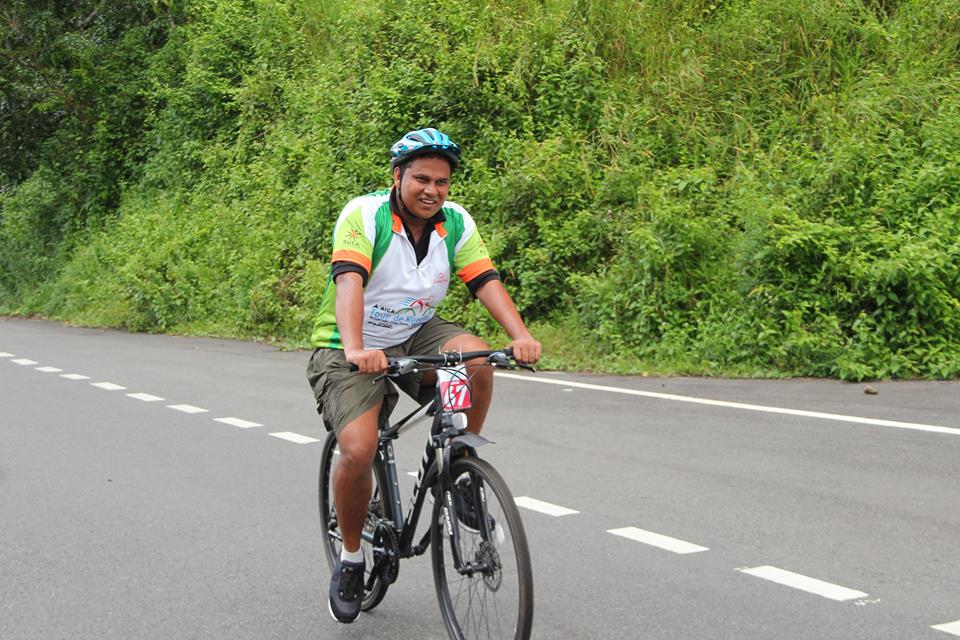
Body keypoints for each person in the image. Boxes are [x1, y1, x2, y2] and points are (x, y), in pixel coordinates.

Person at [306, 127, 541, 624]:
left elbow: (485, 280)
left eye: (442, 181)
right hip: (349, 342)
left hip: (415, 331)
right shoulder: (364, 214)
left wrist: (520, 335)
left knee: (476, 357)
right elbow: (349, 282)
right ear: (397, 176)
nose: (432, 190)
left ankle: (461, 464)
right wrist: (356, 348)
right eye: (421, 179)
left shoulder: (454, 222)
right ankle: (351, 559)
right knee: (358, 449)